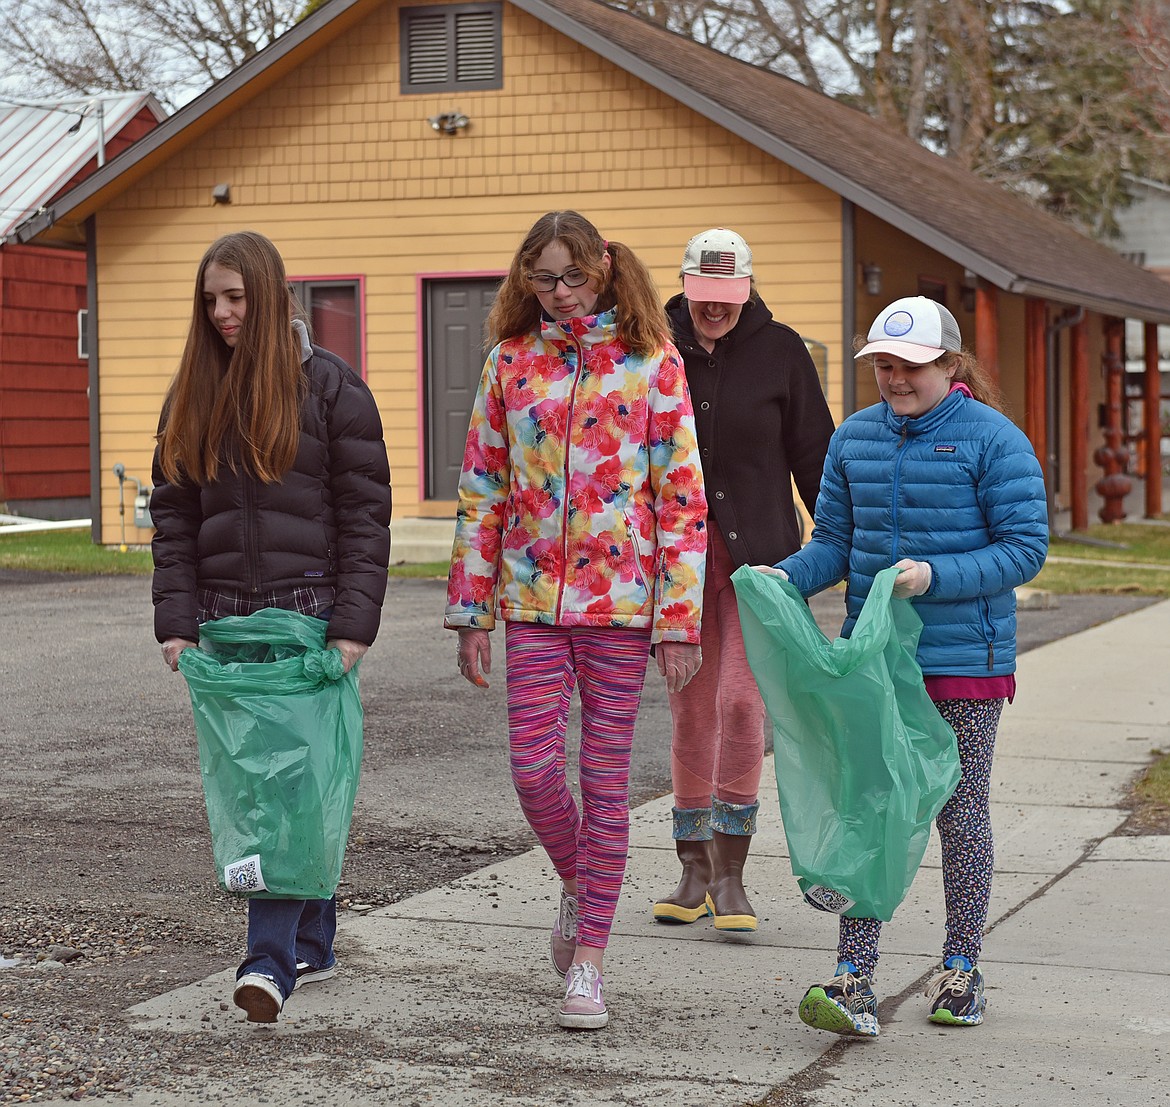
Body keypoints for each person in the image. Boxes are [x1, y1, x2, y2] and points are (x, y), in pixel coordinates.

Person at [445, 210, 708, 1031]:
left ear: (603, 267)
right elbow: (482, 488)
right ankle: (577, 881)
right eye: (543, 279)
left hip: (623, 611)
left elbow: (682, 501)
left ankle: (589, 960)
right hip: (530, 604)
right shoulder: (509, 364)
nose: (559, 294)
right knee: (531, 770)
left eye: (573, 278)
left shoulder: (651, 364)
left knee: (605, 787)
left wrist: (679, 621)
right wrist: (469, 608)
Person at [761, 295, 1047, 1036]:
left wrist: (933, 575)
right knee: (871, 808)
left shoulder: (994, 440)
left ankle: (960, 969)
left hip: (964, 660)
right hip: (876, 658)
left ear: (950, 365)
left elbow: (1024, 547)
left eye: (911, 365)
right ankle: (853, 977)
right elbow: (836, 542)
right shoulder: (854, 439)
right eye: (884, 365)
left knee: (960, 812)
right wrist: (788, 576)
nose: (894, 378)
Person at [150, 230, 391, 1024]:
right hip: (223, 628)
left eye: (235, 296)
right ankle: (313, 937)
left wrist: (353, 624)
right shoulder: (191, 393)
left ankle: (267, 960)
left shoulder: (331, 389)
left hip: (309, 623)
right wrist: (175, 621)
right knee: (274, 787)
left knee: (282, 792)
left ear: (271, 295)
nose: (221, 313)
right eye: (210, 299)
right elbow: (174, 519)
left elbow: (364, 515)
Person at [653, 228, 834, 932]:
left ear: (747, 288)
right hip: (681, 564)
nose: (714, 310)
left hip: (763, 563)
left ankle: (731, 871)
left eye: (726, 298)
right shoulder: (655, 349)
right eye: (703, 298)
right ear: (686, 287)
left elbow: (815, 457)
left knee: (741, 704)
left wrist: (848, 552)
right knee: (691, 708)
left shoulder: (782, 351)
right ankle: (692, 868)